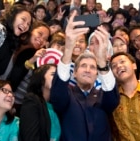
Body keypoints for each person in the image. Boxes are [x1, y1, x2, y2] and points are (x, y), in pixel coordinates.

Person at [50, 10, 120, 141]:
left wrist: (101, 61)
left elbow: (112, 101)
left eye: (93, 67)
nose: (88, 70)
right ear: (74, 73)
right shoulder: (67, 96)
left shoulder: (102, 97)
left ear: (96, 75)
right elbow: (57, 95)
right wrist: (68, 48)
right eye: (83, 66)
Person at [20, 64, 61, 141]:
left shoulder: (57, 106)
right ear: (41, 78)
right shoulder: (32, 100)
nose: (57, 78)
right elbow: (30, 137)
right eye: (53, 74)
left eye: (59, 76)